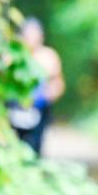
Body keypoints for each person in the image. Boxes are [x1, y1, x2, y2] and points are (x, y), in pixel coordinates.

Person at [7, 17, 64, 157]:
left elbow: (58, 83)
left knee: (35, 148)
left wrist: (46, 96)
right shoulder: (12, 54)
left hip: (38, 109)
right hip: (13, 109)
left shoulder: (48, 56)